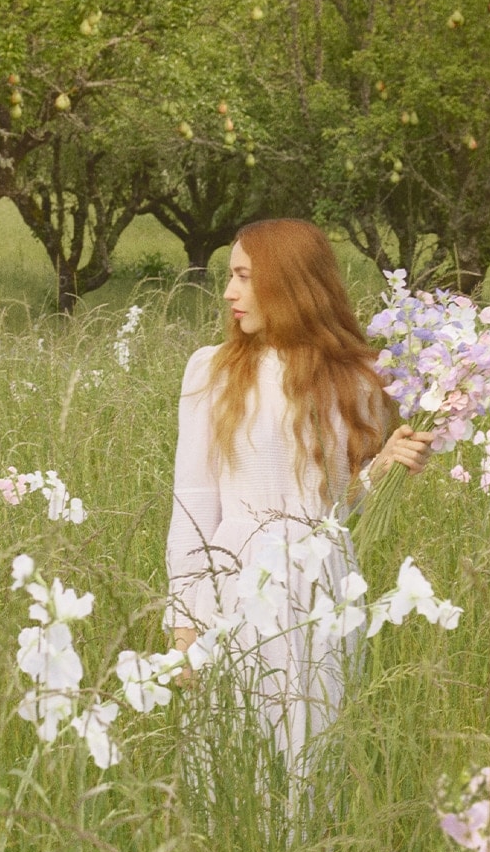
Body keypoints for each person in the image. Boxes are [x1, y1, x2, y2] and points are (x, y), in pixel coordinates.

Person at [164, 219, 432, 791]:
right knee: (227, 759)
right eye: (230, 276)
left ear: (289, 283)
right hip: (233, 583)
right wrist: (184, 627)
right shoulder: (212, 370)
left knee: (311, 757)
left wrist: (383, 467)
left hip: (323, 584)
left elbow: (337, 508)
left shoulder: (361, 377)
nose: (229, 292)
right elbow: (193, 503)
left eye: (244, 277)